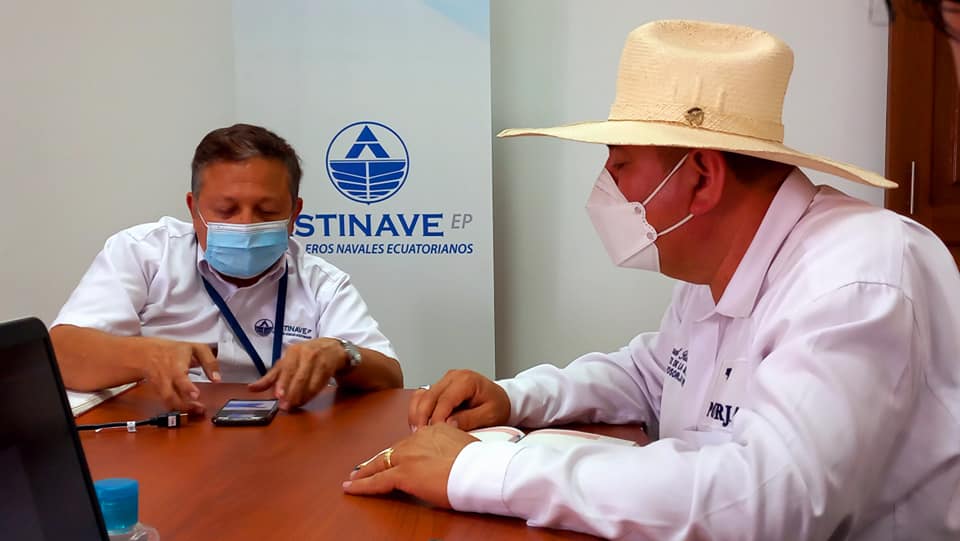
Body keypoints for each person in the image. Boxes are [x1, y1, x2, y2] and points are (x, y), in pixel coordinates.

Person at [343, 20, 960, 540]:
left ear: (701, 178)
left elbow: (770, 501)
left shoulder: (857, 278)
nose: (605, 188)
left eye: (621, 165)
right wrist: (514, 398)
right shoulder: (719, 265)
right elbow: (654, 373)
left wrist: (484, 471)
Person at [52, 124, 402, 415]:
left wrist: (342, 353)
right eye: (225, 210)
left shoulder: (321, 282)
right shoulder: (142, 253)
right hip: (168, 433)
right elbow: (61, 353)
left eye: (267, 211)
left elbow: (390, 378)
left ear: (294, 214)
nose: (246, 224)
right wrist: (146, 356)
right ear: (193, 209)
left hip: (285, 435)